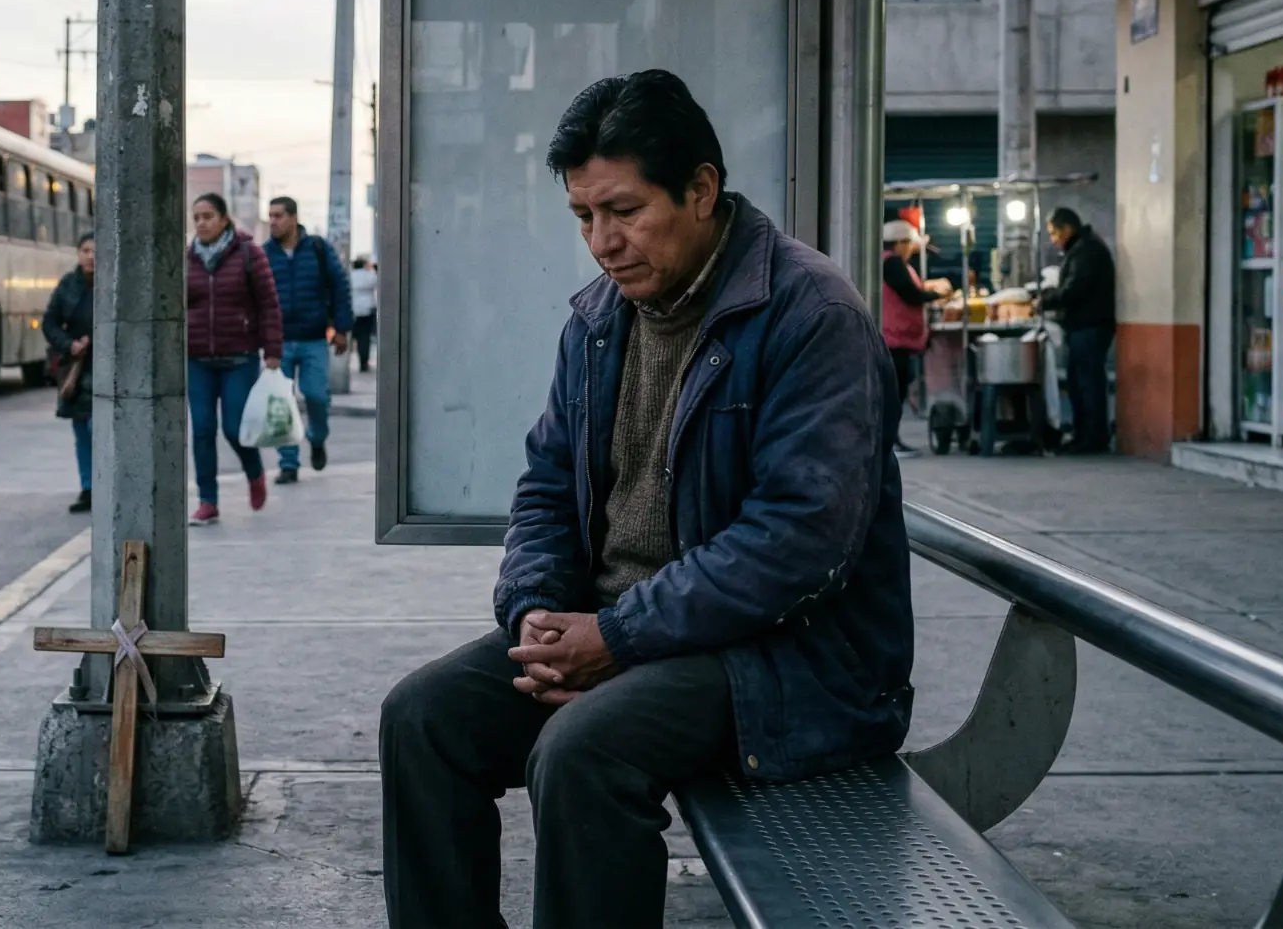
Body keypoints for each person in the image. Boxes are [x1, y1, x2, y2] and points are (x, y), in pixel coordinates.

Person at [379, 70, 914, 929]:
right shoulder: (599, 318)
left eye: (625, 211)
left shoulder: (811, 316)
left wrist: (618, 638)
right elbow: (547, 485)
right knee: (422, 719)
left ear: (701, 189)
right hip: (622, 627)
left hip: (786, 657)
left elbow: (800, 538)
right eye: (584, 216)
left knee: (583, 752)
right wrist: (537, 613)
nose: (602, 240)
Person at [185, 192, 283, 527]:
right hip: (196, 358)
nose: (201, 223)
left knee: (233, 428)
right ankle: (207, 501)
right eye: (196, 217)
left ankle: (254, 472)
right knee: (201, 429)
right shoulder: (185, 258)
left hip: (239, 357)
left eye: (208, 216)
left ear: (224, 219)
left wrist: (272, 352)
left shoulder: (248, 253)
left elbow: (269, 304)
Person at [263, 196, 353, 484]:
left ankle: (317, 437)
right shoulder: (265, 253)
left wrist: (341, 329)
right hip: (279, 341)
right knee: (282, 404)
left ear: (293, 217)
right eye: (271, 216)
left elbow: (340, 288)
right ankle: (288, 463)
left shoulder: (318, 248)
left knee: (316, 396)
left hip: (314, 338)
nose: (273, 222)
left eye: (278, 216)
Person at [1042, 207, 1117, 454]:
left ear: (1067, 228)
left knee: (1088, 384)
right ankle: (1083, 436)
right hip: (1082, 327)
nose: (1052, 240)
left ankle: (1092, 439)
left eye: (1054, 233)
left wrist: (1046, 300)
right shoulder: (1081, 249)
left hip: (1090, 327)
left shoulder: (1086, 251)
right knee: (1078, 383)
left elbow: (1075, 289)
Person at [881, 219, 949, 454]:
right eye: (910, 244)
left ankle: (891, 440)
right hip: (893, 340)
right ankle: (889, 442)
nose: (912, 249)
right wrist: (936, 295)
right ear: (900, 243)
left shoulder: (893, 263)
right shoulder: (892, 263)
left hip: (897, 340)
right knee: (894, 393)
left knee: (897, 390)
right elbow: (910, 294)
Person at [44, 232, 97, 514]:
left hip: (105, 365)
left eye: (96, 250)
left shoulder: (114, 284)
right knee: (82, 429)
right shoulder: (68, 284)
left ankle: (105, 484)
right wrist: (69, 344)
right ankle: (88, 488)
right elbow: (49, 323)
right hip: (76, 368)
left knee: (96, 427)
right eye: (86, 250)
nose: (91, 256)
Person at [350, 256, 378, 373]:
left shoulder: (350, 275)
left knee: (352, 337)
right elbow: (376, 280)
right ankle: (364, 362)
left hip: (353, 309)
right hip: (368, 309)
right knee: (364, 338)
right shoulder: (370, 275)